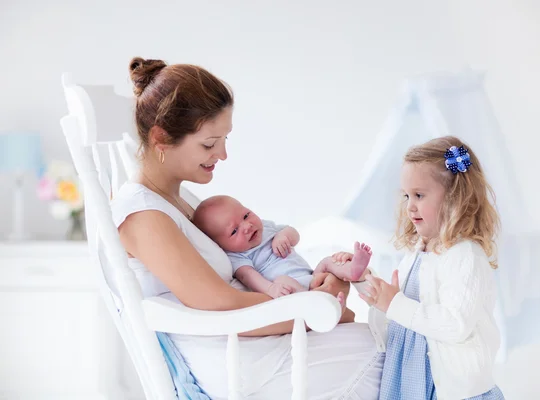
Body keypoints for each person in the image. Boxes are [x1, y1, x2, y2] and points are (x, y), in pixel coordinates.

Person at [111, 57, 385, 400]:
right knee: (403, 354)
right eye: (210, 144)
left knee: (402, 339)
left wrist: (315, 287)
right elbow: (221, 305)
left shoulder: (179, 202)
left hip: (253, 340)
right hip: (238, 362)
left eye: (224, 139)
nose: (222, 154)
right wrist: (316, 308)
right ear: (161, 138)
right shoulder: (142, 215)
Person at [360, 137, 505, 399]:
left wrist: (395, 303)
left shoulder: (464, 254)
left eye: (419, 195)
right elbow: (400, 309)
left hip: (448, 388)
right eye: (406, 196)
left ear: (454, 198)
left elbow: (455, 324)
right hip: (409, 377)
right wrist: (366, 281)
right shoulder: (418, 250)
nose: (410, 206)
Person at [193, 194, 372, 298]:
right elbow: (250, 277)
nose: (247, 227)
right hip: (292, 289)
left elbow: (294, 233)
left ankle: (352, 271)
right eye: (234, 231)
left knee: (329, 261)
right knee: (282, 280)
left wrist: (283, 235)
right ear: (220, 245)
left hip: (312, 275)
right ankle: (316, 304)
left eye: (246, 215)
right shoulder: (236, 257)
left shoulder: (267, 227)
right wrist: (271, 289)